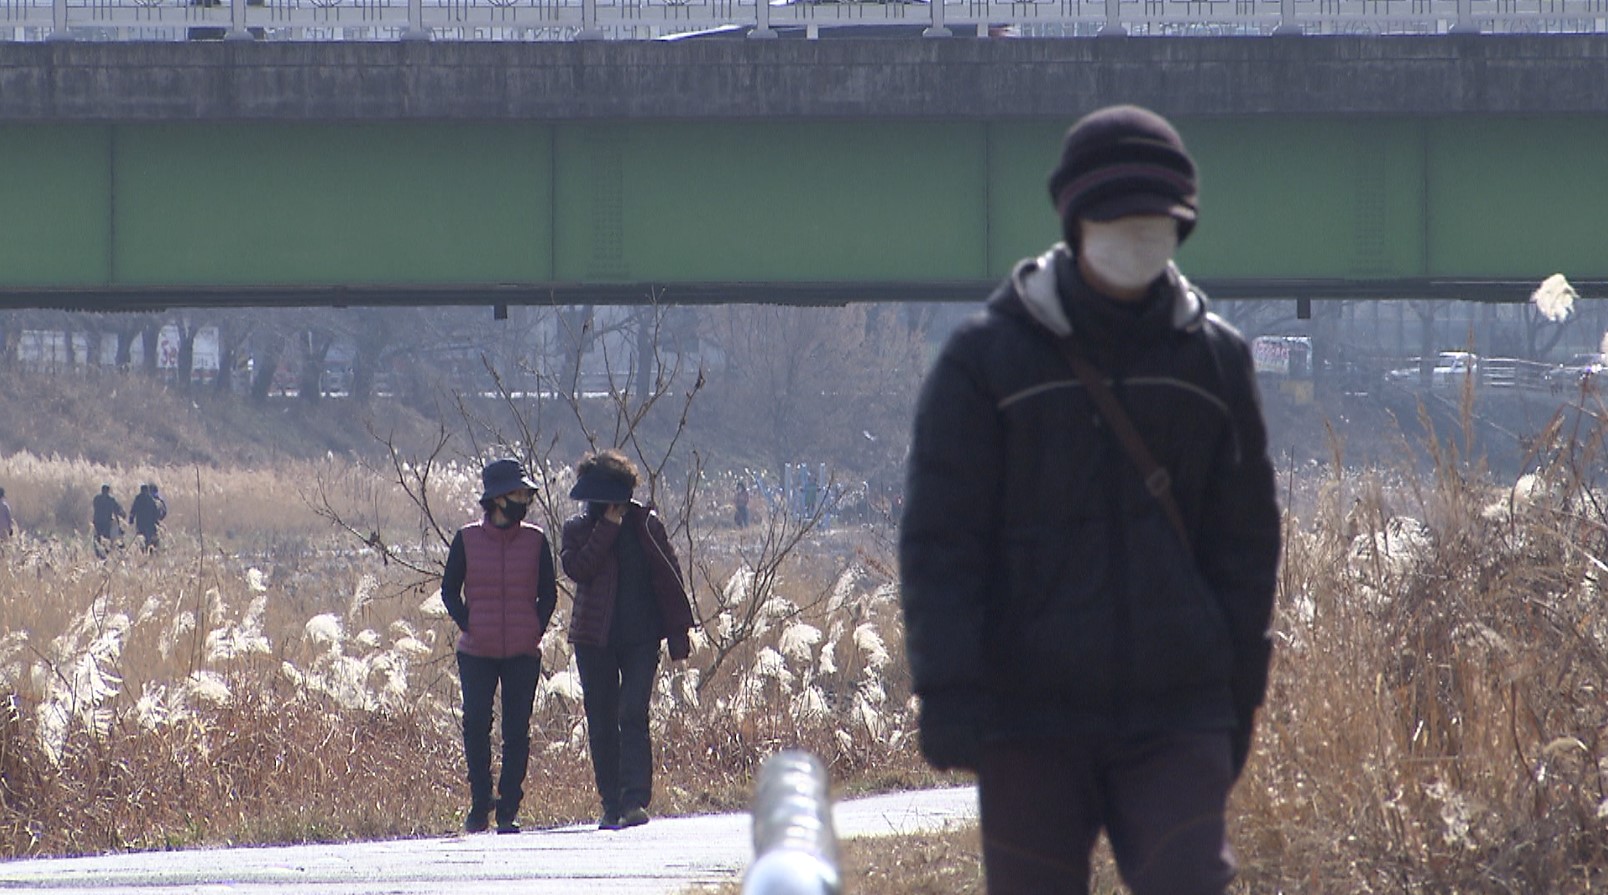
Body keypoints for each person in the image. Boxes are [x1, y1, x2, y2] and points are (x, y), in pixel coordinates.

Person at [898, 105, 1281, 895]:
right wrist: (949, 690)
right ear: (1076, 222)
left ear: (1183, 228)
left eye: (1159, 222)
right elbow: (942, 541)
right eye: (1120, 219)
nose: (1139, 236)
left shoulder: (1213, 361)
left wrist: (1237, 696)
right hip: (1026, 715)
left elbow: (1245, 547)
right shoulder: (986, 362)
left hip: (1179, 710)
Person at [560, 449, 695, 831]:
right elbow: (579, 567)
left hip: (640, 638)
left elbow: (670, 581)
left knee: (632, 713)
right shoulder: (578, 529)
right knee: (601, 720)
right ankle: (611, 803)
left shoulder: (646, 525)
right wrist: (607, 528)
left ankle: (635, 799)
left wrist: (677, 635)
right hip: (593, 639)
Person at [440, 458, 558, 835]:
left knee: (516, 730)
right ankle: (479, 805)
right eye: (518, 492)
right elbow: (449, 589)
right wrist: (468, 624)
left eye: (526, 493)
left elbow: (549, 594)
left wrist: (534, 630)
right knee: (476, 725)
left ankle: (509, 808)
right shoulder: (467, 538)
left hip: (523, 651)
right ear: (497, 499)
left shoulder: (536, 540)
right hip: (476, 651)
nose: (525, 498)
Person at [128, 484, 164, 553]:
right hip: (150, 523)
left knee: (142, 538)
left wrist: (131, 520)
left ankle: (143, 551)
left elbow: (133, 510)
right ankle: (151, 551)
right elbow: (156, 511)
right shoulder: (151, 499)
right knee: (150, 538)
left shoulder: (138, 499)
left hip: (140, 523)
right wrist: (156, 521)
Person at [92, 484, 126, 556]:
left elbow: (95, 508)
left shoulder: (96, 498)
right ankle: (105, 554)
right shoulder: (111, 499)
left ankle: (98, 554)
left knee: (97, 538)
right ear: (108, 491)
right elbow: (117, 510)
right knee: (106, 539)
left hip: (96, 523)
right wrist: (121, 517)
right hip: (106, 523)